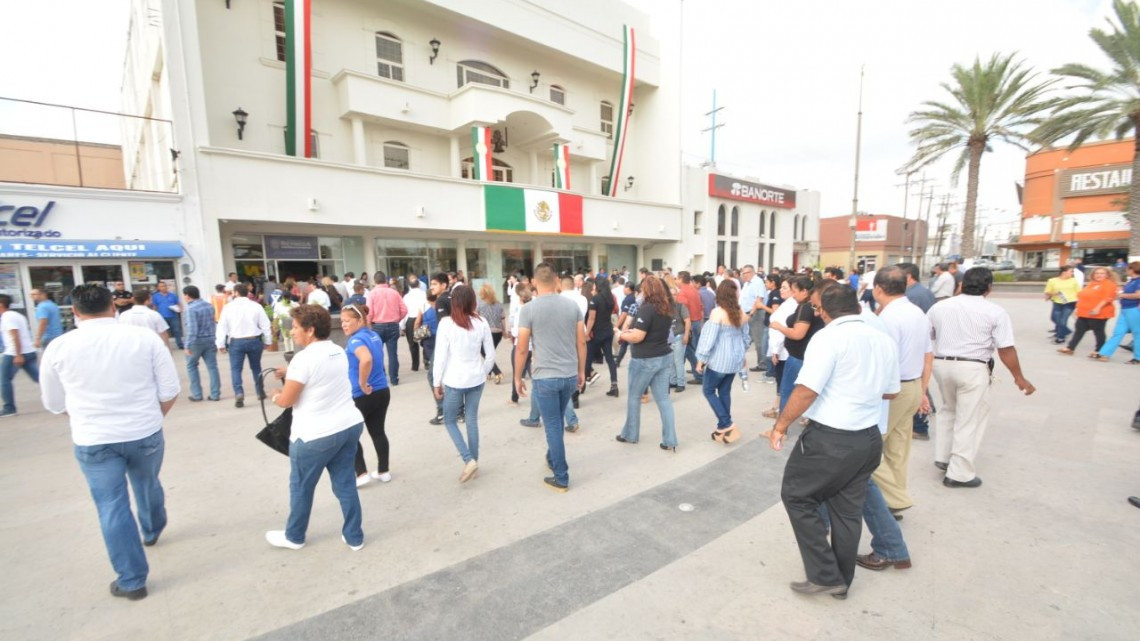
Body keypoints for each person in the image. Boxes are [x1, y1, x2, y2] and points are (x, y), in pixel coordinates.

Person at [39, 284, 180, 600]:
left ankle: (132, 581)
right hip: (144, 432)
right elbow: (169, 389)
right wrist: (151, 418)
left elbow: (53, 401)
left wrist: (86, 418)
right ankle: (152, 529)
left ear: (74, 312)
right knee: (147, 485)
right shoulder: (143, 339)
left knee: (111, 506)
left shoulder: (59, 347)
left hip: (94, 439)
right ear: (113, 307)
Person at [765, 283, 900, 600]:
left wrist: (780, 425)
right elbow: (891, 390)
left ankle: (825, 575)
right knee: (847, 511)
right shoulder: (881, 339)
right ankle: (841, 581)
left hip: (832, 438)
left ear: (824, 310)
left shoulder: (827, 338)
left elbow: (807, 389)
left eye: (814, 307)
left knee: (797, 496)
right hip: (867, 437)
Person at [266, 305, 365, 551]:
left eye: (297, 328)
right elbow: (320, 375)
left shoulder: (303, 359)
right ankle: (354, 536)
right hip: (348, 426)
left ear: (310, 330)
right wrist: (290, 374)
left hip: (315, 436)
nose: (293, 333)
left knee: (301, 486)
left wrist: (276, 396)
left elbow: (288, 400)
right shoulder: (337, 351)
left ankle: (294, 536)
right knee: (345, 483)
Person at [929, 268, 1035, 487]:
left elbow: (927, 337)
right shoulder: (995, 312)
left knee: (948, 409)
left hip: (942, 365)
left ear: (961, 285)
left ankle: (943, 457)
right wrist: (1019, 377)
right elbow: (1006, 349)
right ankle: (958, 473)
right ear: (989, 288)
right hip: (972, 368)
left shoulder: (939, 307)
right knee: (969, 418)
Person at [514, 262, 586, 492]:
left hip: (545, 376)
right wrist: (582, 370)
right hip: (568, 375)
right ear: (556, 281)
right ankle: (552, 457)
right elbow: (581, 341)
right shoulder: (572, 306)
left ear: (534, 283)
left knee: (553, 425)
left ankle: (561, 476)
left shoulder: (529, 310)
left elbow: (522, 349)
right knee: (555, 421)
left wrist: (517, 377)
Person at [870, 267, 932, 514]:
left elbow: (884, 361)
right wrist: (923, 391)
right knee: (897, 448)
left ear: (878, 289)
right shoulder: (917, 313)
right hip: (913, 385)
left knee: (868, 447)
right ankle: (891, 503)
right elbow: (929, 354)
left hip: (892, 391)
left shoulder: (887, 320)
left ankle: (896, 499)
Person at [433, 285, 495, 483]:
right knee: (471, 420)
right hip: (476, 378)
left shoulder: (446, 324)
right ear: (472, 302)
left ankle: (469, 460)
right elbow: (491, 355)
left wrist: (436, 382)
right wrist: (482, 372)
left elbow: (440, 358)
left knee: (450, 420)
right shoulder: (481, 322)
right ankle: (473, 462)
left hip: (454, 380)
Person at [616, 275, 679, 451]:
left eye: (643, 289)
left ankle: (630, 434)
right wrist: (631, 331)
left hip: (645, 359)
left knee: (634, 397)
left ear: (648, 290)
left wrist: (621, 334)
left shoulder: (647, 309)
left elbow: (638, 337)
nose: (640, 292)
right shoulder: (667, 308)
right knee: (664, 400)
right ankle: (670, 440)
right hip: (664, 356)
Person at [339, 303, 392, 487]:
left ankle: (361, 473)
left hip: (363, 394)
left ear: (359, 320)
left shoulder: (355, 341)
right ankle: (384, 471)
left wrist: (362, 382)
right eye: (342, 321)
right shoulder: (374, 335)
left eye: (347, 321)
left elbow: (366, 359)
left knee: (350, 435)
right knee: (378, 432)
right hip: (382, 391)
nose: (344, 325)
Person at [695, 280, 750, 444]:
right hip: (735, 361)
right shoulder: (741, 313)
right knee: (724, 391)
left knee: (708, 391)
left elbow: (708, 340)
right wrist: (741, 355)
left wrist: (701, 360)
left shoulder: (717, 313)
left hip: (719, 361)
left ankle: (727, 423)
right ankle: (721, 428)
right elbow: (746, 339)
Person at [770, 276, 822, 413]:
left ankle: (781, 429)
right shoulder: (811, 306)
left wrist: (779, 327)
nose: (793, 295)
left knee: (787, 391)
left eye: (794, 291)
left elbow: (798, 333)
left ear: (804, 291)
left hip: (798, 356)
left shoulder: (806, 307)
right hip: (806, 354)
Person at [215, 283, 272, 408]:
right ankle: (260, 391)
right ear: (247, 292)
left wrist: (220, 343)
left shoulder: (228, 307)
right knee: (256, 367)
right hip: (254, 340)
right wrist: (268, 341)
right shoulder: (256, 306)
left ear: (236, 293)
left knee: (236, 369)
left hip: (236, 342)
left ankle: (239, 393)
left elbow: (222, 327)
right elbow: (265, 325)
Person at [1058, 266, 1118, 356]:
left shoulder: (1109, 284)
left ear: (1107, 275)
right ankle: (1070, 348)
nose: (1099, 275)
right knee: (1079, 329)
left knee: (1098, 331)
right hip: (1084, 313)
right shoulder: (1092, 284)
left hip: (1099, 313)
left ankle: (1099, 350)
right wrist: (1078, 308)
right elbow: (1082, 296)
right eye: (1097, 273)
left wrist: (1097, 308)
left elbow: (1107, 298)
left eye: (1102, 273)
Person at [1, 294, 40, 418]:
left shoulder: (7, 317)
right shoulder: (16, 315)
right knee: (39, 378)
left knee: (4, 380)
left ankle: (9, 408)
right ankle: (68, 395)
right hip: (27, 351)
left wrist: (18, 355)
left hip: (14, 353)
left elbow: (15, 336)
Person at [367, 271, 407, 386]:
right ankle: (394, 379)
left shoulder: (372, 294)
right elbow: (404, 310)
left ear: (374, 281)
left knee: (378, 353)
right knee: (393, 353)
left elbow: (370, 312)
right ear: (385, 280)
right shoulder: (394, 293)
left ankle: (382, 377)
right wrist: (397, 319)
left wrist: (369, 325)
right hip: (393, 325)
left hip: (377, 326)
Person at [765, 278, 797, 419]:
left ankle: (781, 411)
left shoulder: (790, 306)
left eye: (785, 288)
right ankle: (777, 406)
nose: (781, 290)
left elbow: (781, 329)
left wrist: (776, 351)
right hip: (782, 348)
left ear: (793, 290)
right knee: (782, 381)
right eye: (781, 287)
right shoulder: (788, 305)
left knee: (784, 382)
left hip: (783, 350)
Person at [182, 286, 221, 402]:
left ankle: (197, 394)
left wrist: (187, 345)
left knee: (191, 366)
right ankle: (215, 394)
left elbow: (192, 329)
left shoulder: (190, 309)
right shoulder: (209, 306)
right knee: (212, 367)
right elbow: (213, 323)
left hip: (196, 341)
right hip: (210, 339)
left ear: (188, 295)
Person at [1096, 261, 1140, 363]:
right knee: (1118, 332)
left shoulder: (1138, 281)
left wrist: (1122, 295)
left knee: (1137, 333)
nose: (1126, 270)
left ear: (1132, 270)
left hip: (1134, 309)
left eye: (1128, 269)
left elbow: (1138, 295)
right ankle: (1105, 353)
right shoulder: (1132, 281)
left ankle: (1138, 357)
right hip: (1125, 309)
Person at [585, 275, 620, 397]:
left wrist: (587, 332)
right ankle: (614, 385)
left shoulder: (595, 299)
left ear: (598, 286)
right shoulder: (610, 299)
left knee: (587, 359)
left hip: (596, 333)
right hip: (607, 331)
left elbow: (591, 318)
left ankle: (579, 388)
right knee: (610, 359)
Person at [754, 273, 784, 383]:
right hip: (770, 325)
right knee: (767, 349)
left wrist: (762, 306)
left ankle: (771, 373)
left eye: (767, 282)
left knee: (767, 349)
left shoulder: (775, 293)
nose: (765, 284)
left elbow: (775, 311)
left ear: (773, 283)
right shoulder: (773, 293)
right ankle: (770, 372)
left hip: (771, 326)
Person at [476, 283, 505, 385]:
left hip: (487, 332)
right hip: (498, 333)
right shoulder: (499, 304)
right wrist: (504, 331)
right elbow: (502, 319)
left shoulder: (479, 303)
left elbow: (476, 317)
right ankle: (488, 372)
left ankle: (497, 372)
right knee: (490, 352)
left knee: (485, 352)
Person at [1044, 266, 1081, 345]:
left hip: (1070, 302)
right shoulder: (1052, 280)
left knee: (1063, 320)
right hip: (1057, 302)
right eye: (1071, 271)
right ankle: (1066, 331)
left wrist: (1080, 302)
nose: (1072, 273)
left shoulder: (1074, 281)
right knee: (1054, 318)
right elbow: (1047, 291)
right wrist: (1053, 293)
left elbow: (1079, 292)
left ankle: (1060, 338)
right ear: (1064, 272)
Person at [403, 275, 428, 372]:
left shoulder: (406, 297)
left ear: (409, 285)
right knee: (425, 341)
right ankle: (427, 362)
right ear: (419, 285)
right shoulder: (424, 294)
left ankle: (415, 365)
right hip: (422, 318)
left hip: (410, 320)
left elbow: (405, 312)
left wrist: (402, 325)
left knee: (412, 343)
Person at [150, 281, 183, 349]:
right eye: (162, 286)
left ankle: (180, 344)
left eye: (165, 286)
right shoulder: (155, 296)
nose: (164, 287)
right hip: (162, 316)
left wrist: (180, 309)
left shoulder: (172, 295)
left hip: (173, 316)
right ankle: (165, 345)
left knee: (177, 331)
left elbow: (178, 303)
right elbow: (154, 306)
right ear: (158, 288)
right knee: (164, 332)